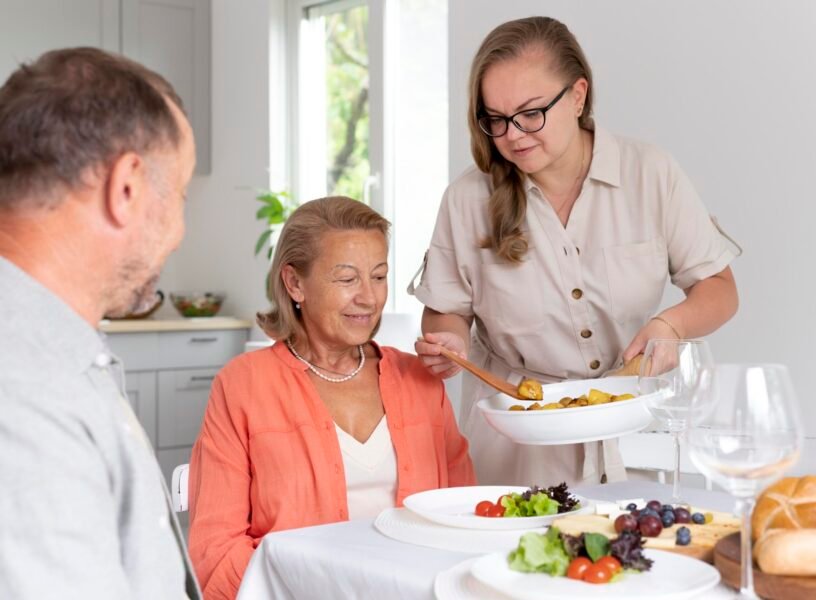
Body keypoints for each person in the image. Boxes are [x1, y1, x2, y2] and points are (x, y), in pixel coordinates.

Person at [411, 16, 740, 487]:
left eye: (530, 113)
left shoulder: (650, 173)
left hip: (630, 430)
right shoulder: (467, 199)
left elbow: (720, 289)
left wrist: (670, 327)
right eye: (496, 120)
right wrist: (450, 345)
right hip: (516, 447)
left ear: (578, 95)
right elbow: (445, 313)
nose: (514, 135)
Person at [187, 196, 475, 599]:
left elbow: (464, 520)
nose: (369, 298)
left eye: (378, 276)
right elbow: (214, 556)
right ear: (294, 283)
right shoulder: (242, 386)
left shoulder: (420, 380)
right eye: (346, 279)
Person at [0, 48, 200, 599]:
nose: (180, 230)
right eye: (180, 196)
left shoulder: (60, 353)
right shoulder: (25, 395)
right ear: (128, 188)